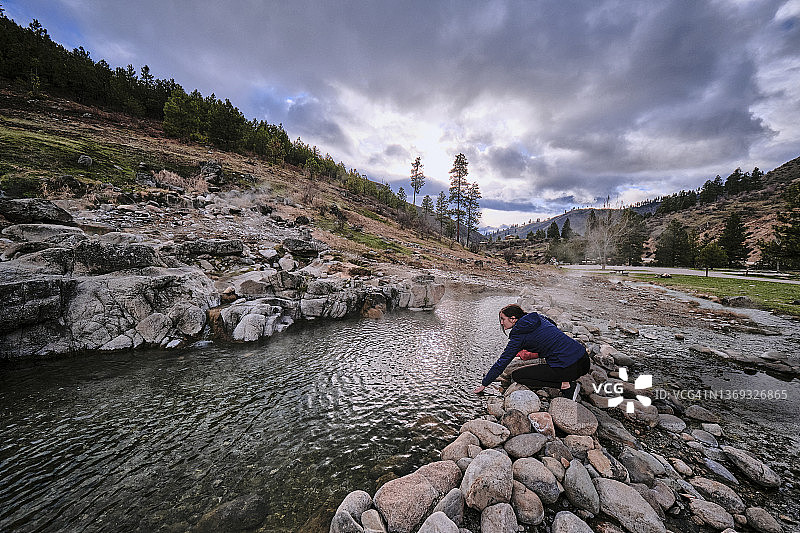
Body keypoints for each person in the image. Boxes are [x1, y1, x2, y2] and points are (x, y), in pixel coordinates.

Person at [473, 303, 590, 400]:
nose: (501, 323)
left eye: (503, 319)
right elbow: (552, 325)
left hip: (570, 368)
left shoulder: (518, 336)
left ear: (513, 319)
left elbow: (502, 362)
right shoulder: (537, 317)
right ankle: (565, 379)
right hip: (584, 359)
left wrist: (484, 384)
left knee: (518, 376)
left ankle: (567, 386)